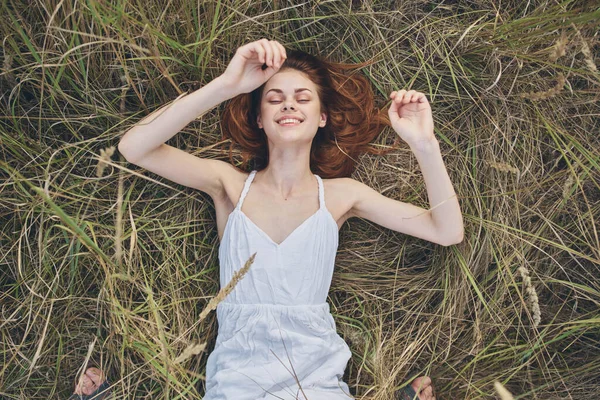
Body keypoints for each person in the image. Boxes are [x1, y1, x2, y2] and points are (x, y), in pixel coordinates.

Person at [74, 38, 464, 399]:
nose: (288, 105)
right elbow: (134, 148)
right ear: (259, 118)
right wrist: (228, 85)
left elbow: (445, 231)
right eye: (274, 99)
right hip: (238, 376)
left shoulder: (343, 194)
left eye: (302, 98)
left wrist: (424, 145)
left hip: (315, 376)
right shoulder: (228, 184)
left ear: (322, 117)